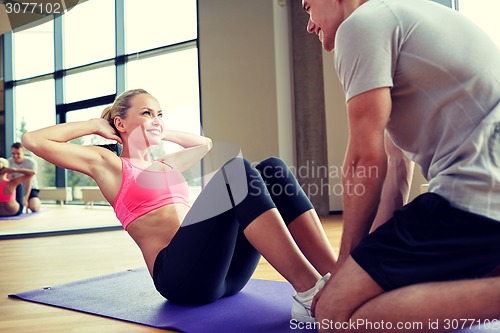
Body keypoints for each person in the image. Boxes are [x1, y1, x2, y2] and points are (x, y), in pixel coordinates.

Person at [22, 88, 337, 322]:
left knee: (271, 167)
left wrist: (158, 128)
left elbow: (204, 144)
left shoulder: (166, 164)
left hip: (225, 276)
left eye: (159, 114)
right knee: (236, 170)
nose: (155, 120)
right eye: (146, 113)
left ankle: (336, 279)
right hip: (181, 279)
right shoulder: (111, 166)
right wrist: (94, 124)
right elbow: (33, 141)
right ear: (120, 122)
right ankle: (310, 292)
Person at [301, 0, 500, 331]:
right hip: (485, 202)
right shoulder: (406, 18)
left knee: (334, 317)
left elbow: (365, 160)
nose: (309, 24)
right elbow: (396, 168)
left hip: (474, 198)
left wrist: (343, 266)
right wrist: (363, 262)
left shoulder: (361, 25)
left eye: (307, 7)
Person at [9, 142, 42, 213]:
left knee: (34, 208)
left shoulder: (31, 163)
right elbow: (9, 180)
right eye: (13, 153)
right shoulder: (9, 162)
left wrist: (26, 198)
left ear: (23, 152)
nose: (15, 156)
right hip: (16, 188)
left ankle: (33, 201)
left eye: (18, 153)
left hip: (31, 187)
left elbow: (29, 181)